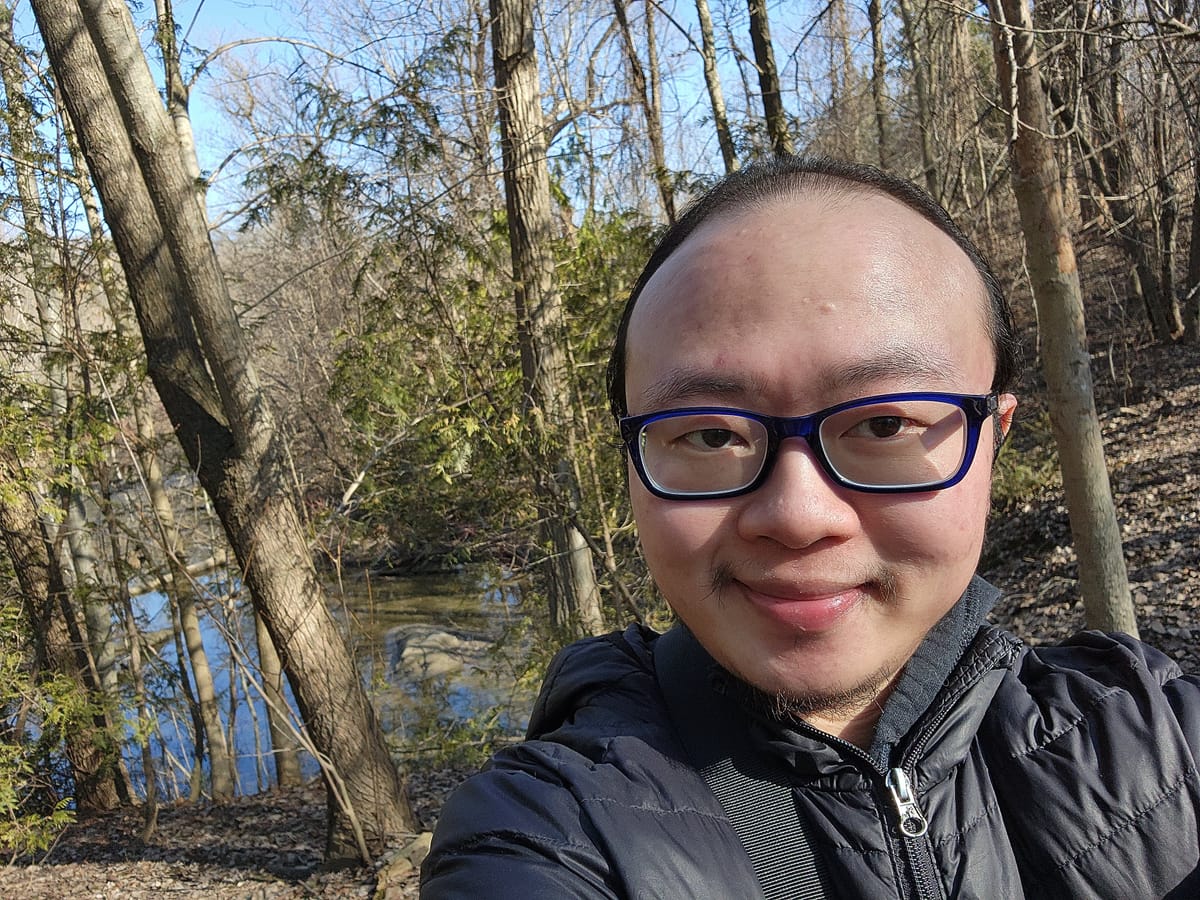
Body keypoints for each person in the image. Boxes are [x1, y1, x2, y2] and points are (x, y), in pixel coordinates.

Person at [419, 156, 1200, 899]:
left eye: (885, 423)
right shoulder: (546, 831)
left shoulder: (1162, 740)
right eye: (711, 435)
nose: (797, 517)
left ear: (993, 441)